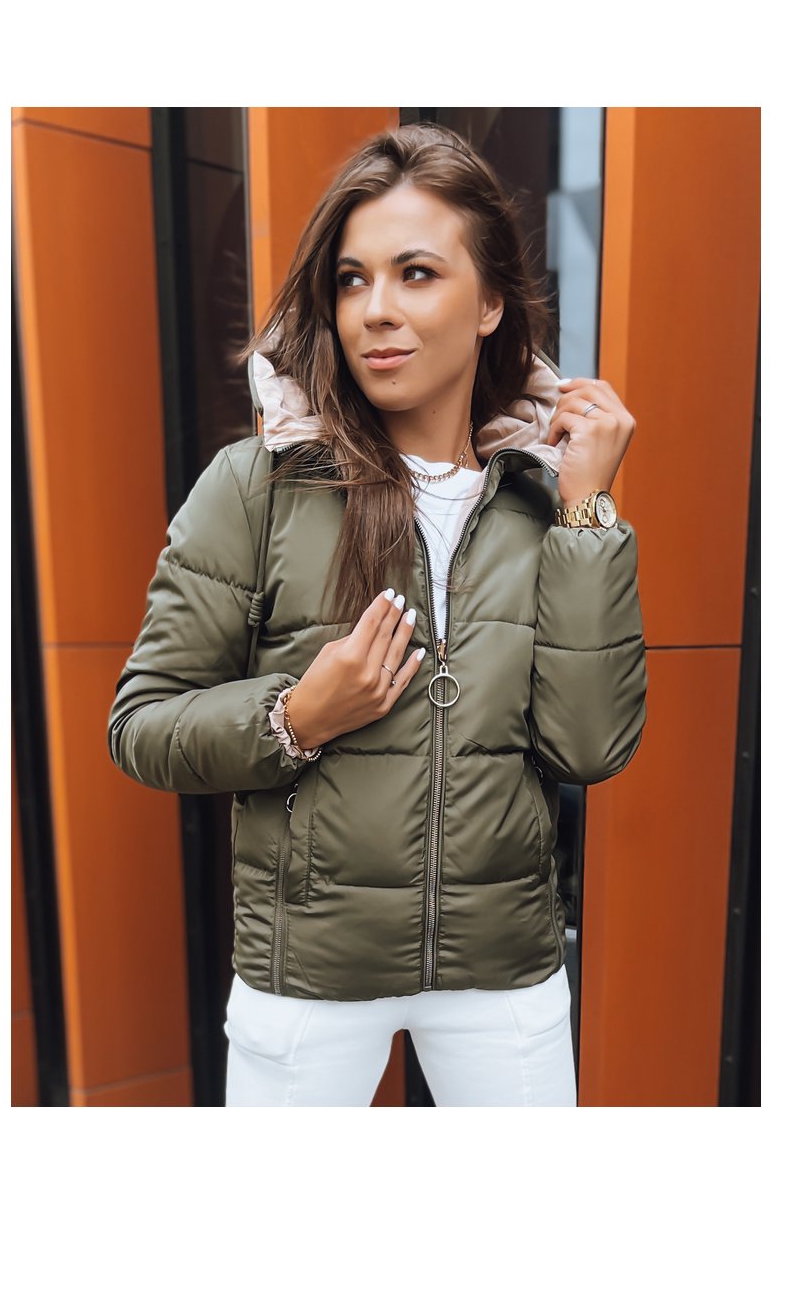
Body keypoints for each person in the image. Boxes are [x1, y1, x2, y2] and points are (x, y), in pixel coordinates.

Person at [107, 123, 647, 1107]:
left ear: (490, 304)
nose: (375, 310)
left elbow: (588, 746)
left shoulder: (544, 501)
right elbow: (141, 726)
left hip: (503, 972)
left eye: (417, 274)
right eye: (352, 280)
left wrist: (587, 514)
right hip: (308, 977)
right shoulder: (257, 487)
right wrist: (296, 716)